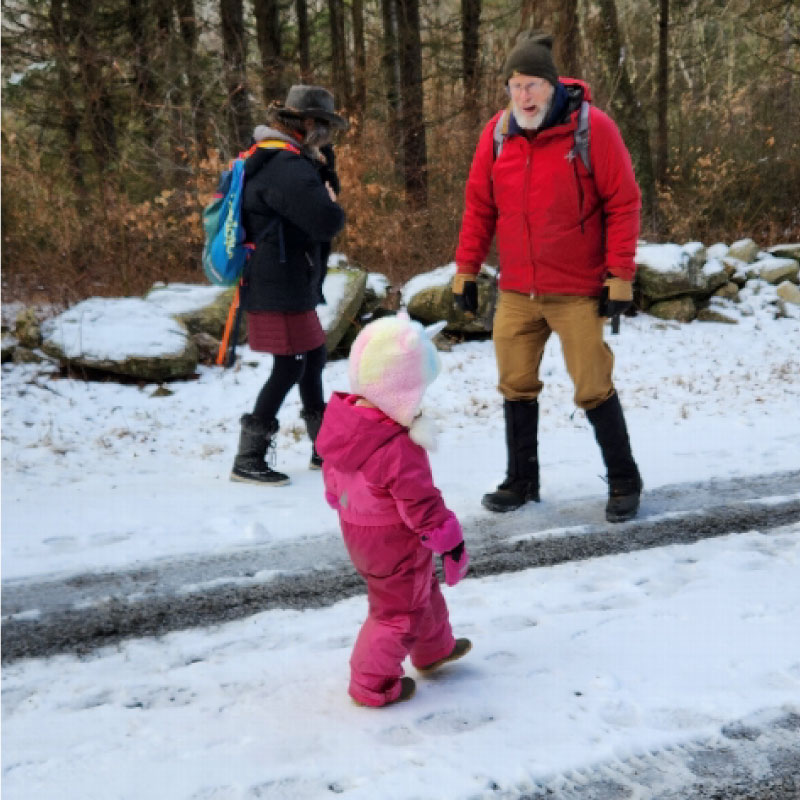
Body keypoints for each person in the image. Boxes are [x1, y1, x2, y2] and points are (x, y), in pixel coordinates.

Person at [451, 32, 643, 523]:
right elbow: (479, 206)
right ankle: (522, 481)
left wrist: (619, 275)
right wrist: (466, 271)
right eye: (515, 86)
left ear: (552, 86)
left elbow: (623, 203)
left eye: (532, 85)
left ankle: (624, 480)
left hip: (577, 289)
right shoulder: (497, 134)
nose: (523, 96)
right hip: (517, 288)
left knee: (592, 385)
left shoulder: (591, 129)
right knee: (514, 382)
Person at [316, 312, 471, 707]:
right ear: (402, 389)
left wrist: (341, 503)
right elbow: (422, 504)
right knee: (396, 611)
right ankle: (372, 683)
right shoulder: (398, 445)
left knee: (421, 588)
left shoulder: (350, 423)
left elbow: (334, 480)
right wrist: (450, 542)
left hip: (362, 533)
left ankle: (434, 648)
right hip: (394, 539)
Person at [231, 85, 347, 486]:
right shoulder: (285, 166)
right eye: (326, 127)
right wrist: (330, 197)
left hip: (287, 277)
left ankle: (324, 449)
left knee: (313, 356)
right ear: (308, 123)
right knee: (290, 364)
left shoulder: (286, 160)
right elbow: (326, 219)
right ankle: (248, 458)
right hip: (276, 282)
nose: (329, 136)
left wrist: (323, 168)